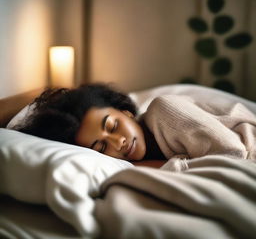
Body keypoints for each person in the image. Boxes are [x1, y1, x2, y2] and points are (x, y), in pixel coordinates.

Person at [16, 83, 256, 164]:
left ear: (126, 112)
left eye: (111, 126)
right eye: (100, 147)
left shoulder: (165, 110)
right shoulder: (131, 162)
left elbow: (232, 152)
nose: (117, 142)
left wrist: (151, 167)